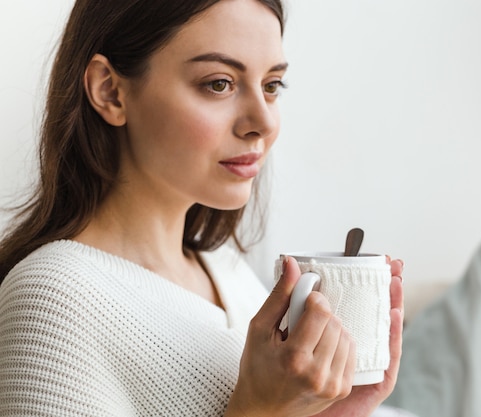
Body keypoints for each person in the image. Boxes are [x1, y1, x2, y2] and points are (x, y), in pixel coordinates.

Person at [0, 0, 404, 416]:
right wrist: (261, 409)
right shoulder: (55, 299)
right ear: (110, 91)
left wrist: (330, 410)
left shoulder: (225, 269)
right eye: (218, 83)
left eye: (271, 85)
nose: (262, 122)